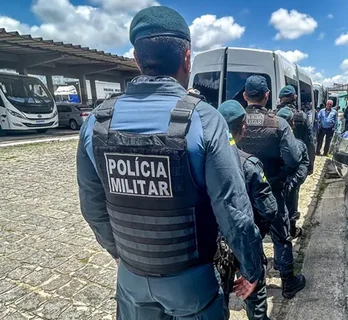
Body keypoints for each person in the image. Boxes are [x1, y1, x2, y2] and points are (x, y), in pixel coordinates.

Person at [76, 6, 263, 320]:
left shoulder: (96, 122)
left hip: (132, 280)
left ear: (137, 59)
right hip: (192, 282)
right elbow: (233, 209)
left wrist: (119, 253)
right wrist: (252, 267)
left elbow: (92, 205)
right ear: (187, 57)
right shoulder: (205, 119)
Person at [238, 75, 306, 299]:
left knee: (248, 235)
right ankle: (288, 281)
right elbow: (294, 159)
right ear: (267, 96)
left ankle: (252, 279)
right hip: (272, 190)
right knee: (281, 235)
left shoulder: (233, 121)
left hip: (241, 193)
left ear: (245, 96)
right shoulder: (279, 123)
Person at [217, 100, 277, 320]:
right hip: (245, 240)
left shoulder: (202, 159)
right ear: (243, 127)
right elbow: (269, 208)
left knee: (219, 295)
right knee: (255, 289)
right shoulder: (249, 164)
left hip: (215, 246)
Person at [276, 107, 309, 239]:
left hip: (284, 183)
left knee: (288, 210)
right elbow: (304, 166)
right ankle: (289, 230)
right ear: (291, 124)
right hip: (285, 184)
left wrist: (291, 182)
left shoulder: (297, 145)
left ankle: (290, 230)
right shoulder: (298, 145)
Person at [277, 85, 315, 175]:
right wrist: (310, 165)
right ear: (295, 98)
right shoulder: (303, 117)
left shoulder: (273, 115)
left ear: (280, 99)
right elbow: (310, 142)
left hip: (277, 164)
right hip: (296, 162)